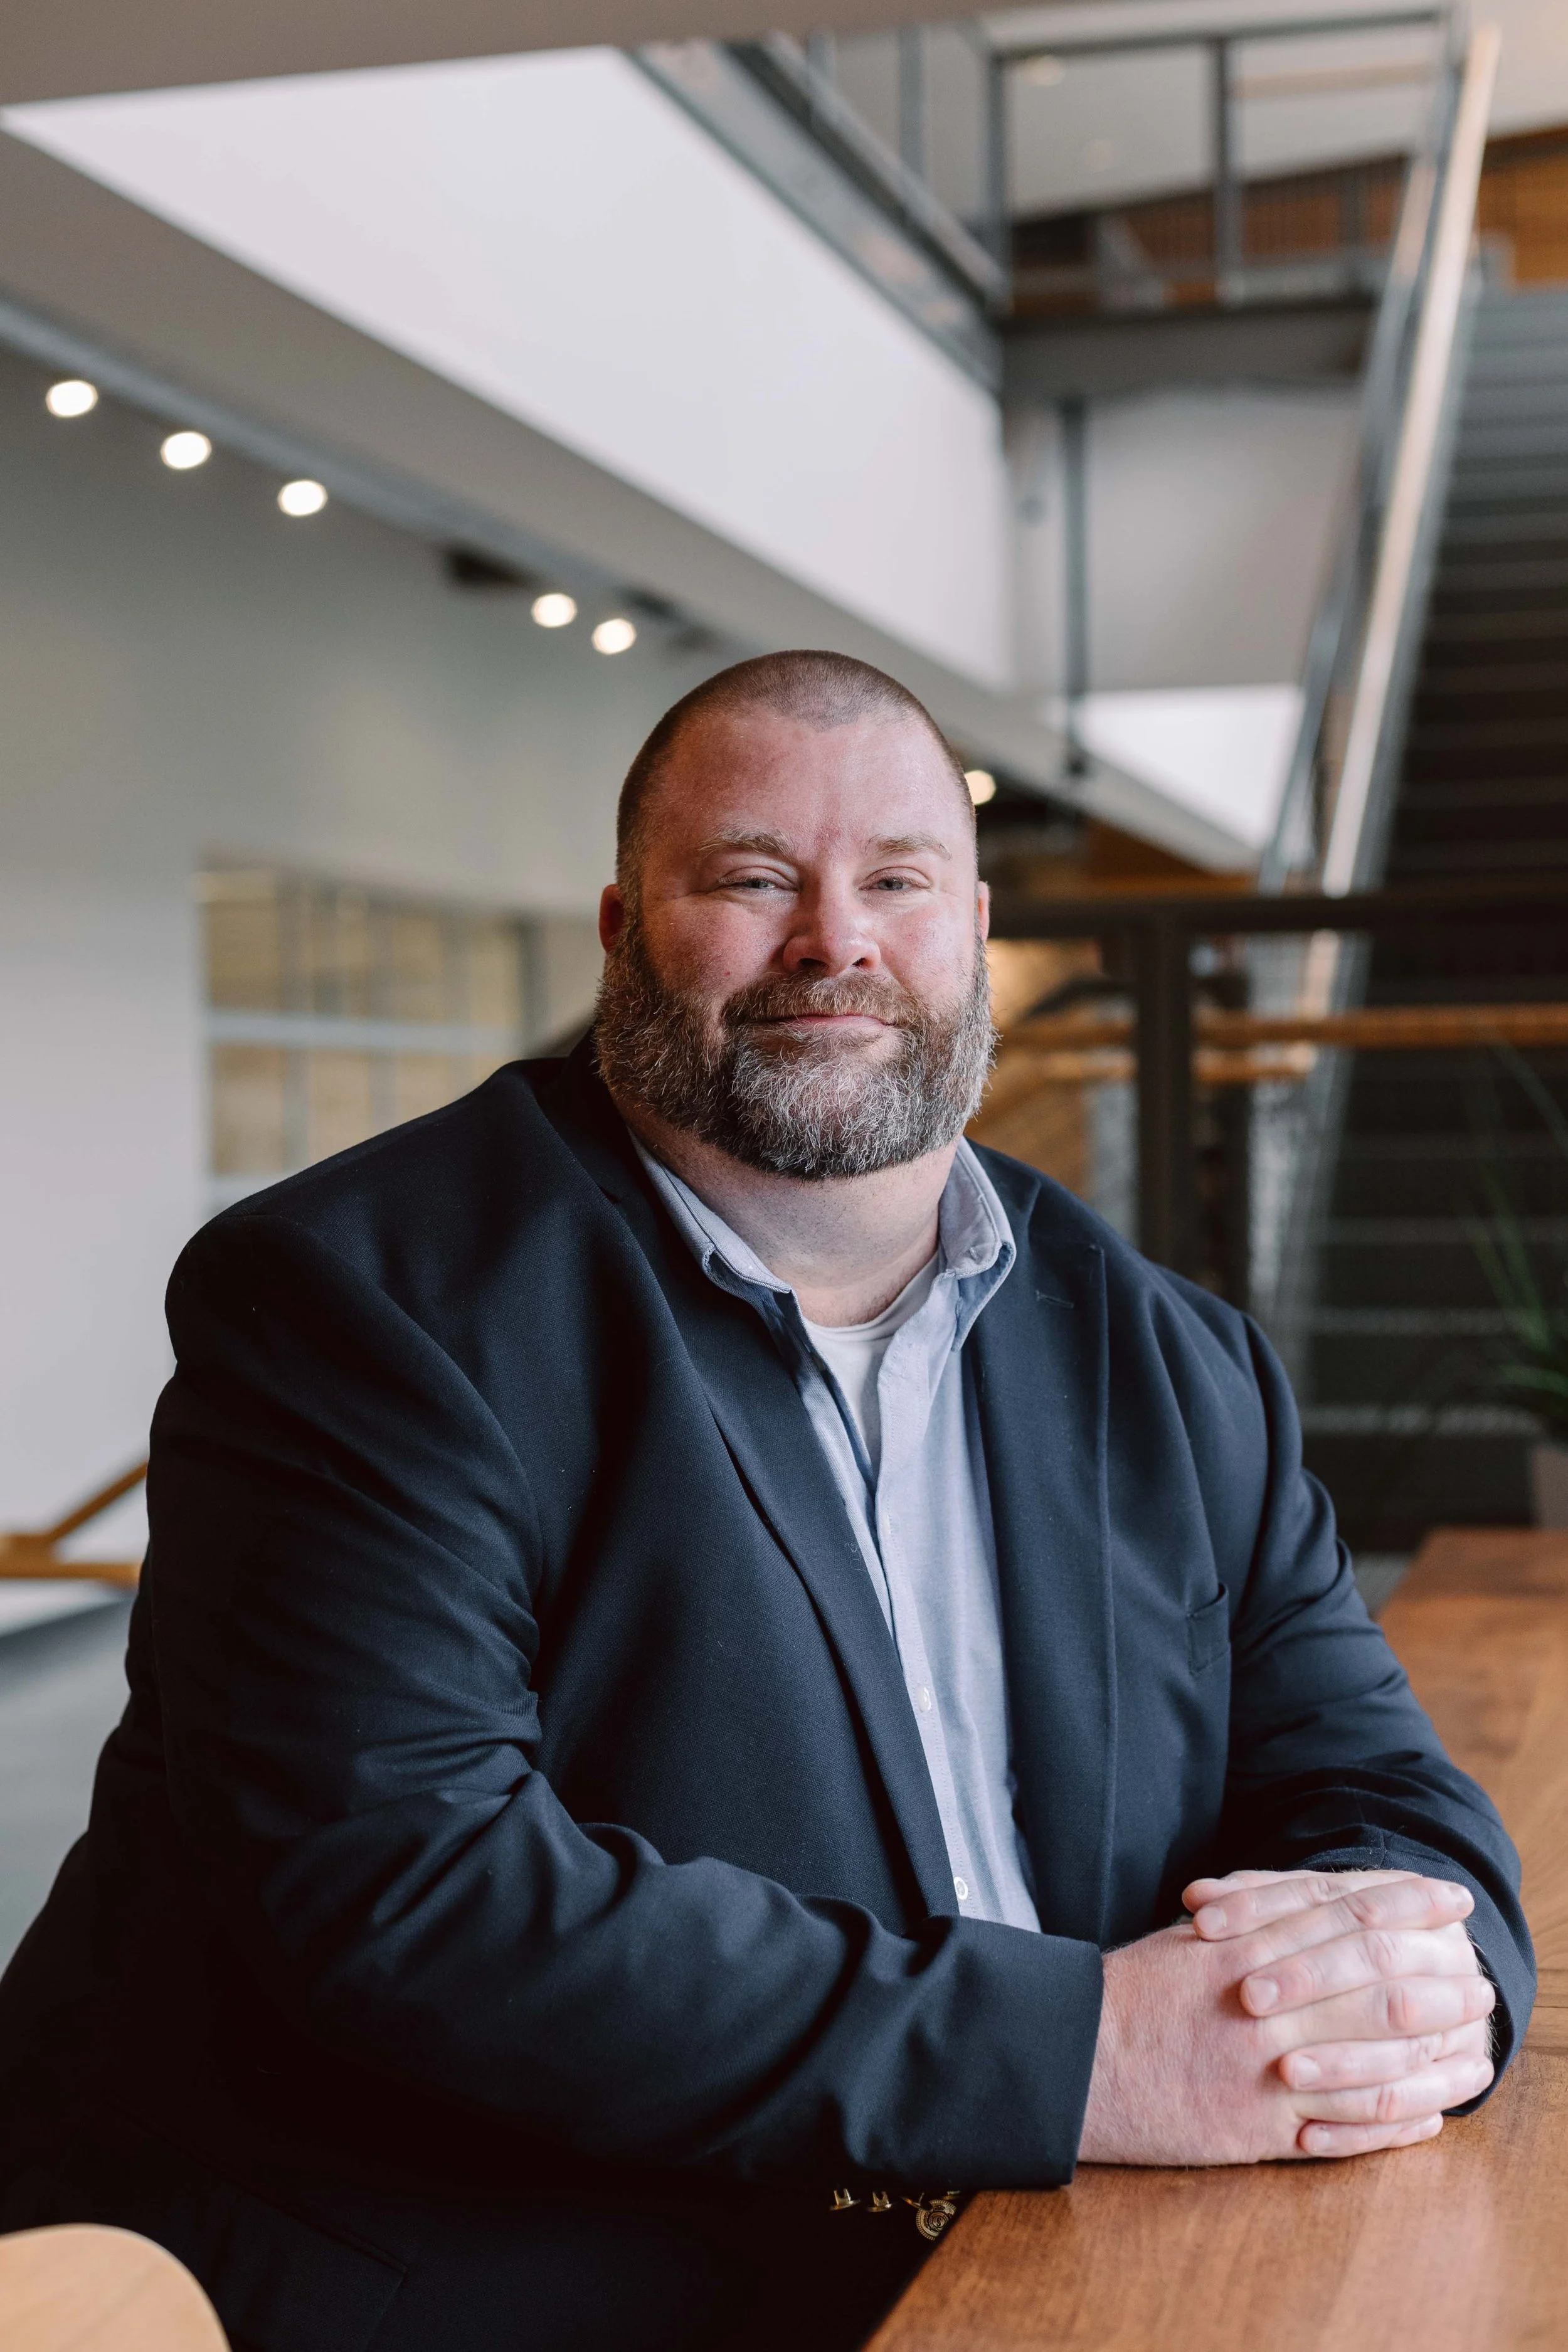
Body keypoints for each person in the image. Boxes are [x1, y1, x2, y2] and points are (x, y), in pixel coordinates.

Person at [0, 652, 1531, 2352]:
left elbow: (1377, 1782)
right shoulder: (358, 1304)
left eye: (897, 878)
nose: (833, 940)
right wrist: (1091, 2050)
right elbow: (413, 1893)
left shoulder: (1169, 1353)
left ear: (969, 925)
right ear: (616, 928)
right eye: (749, 878)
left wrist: (1414, 1993)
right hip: (503, 2270)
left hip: (1048, 2241)